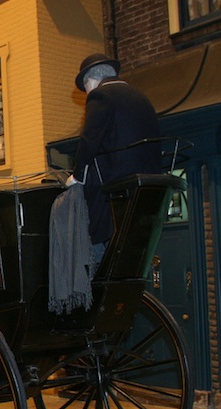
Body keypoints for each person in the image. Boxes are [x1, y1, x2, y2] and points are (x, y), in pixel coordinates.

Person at [71, 53, 162, 261]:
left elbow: (89, 140)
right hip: (146, 189)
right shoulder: (140, 97)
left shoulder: (100, 95)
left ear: (91, 82)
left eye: (85, 90)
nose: (87, 95)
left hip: (115, 193)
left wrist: (77, 176)